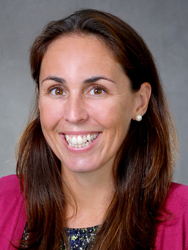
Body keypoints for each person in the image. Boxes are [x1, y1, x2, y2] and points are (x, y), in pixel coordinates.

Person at [0, 8, 188, 250]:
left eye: (97, 90)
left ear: (139, 101)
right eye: (57, 90)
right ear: (40, 99)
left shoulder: (183, 217)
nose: (74, 114)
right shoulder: (3, 203)